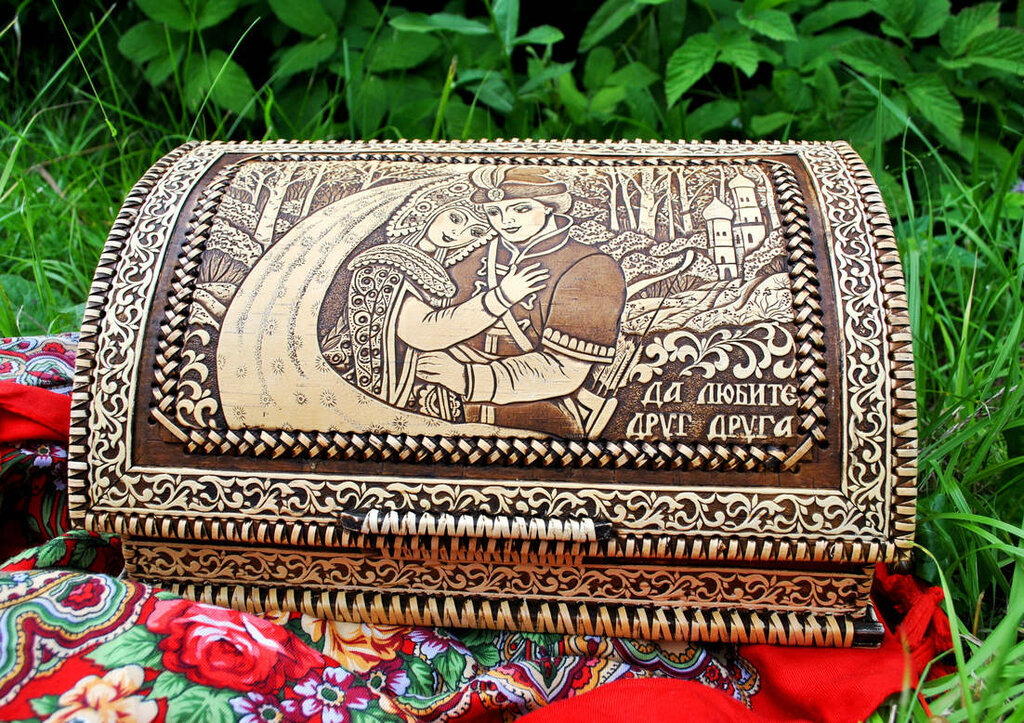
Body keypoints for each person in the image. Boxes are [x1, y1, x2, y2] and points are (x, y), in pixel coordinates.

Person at [415, 167, 627, 438]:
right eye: (494, 212)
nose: (505, 221)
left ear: (549, 206)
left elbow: (564, 371)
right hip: (441, 394)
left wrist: (467, 379)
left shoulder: (592, 267)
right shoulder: (471, 253)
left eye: (521, 209)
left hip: (536, 415)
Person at [341, 177, 549, 420]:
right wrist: (503, 296)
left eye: (474, 231)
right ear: (430, 207)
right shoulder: (385, 263)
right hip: (369, 389)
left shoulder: (433, 269)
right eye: (455, 218)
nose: (457, 233)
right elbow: (421, 332)